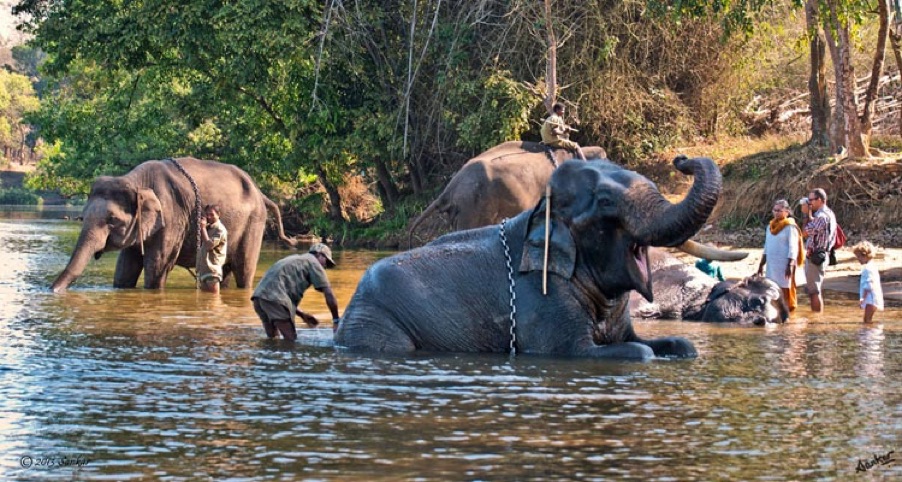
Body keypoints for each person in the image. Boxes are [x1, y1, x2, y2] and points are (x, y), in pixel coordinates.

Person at [251, 243, 341, 341]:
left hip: (258, 298)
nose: (324, 266)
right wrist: (336, 321)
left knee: (272, 340)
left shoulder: (293, 259)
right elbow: (329, 293)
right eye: (326, 262)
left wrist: (302, 315)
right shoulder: (314, 263)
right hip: (274, 299)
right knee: (291, 342)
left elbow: (281, 291)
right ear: (319, 254)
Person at [757, 199, 804, 311]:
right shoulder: (770, 227)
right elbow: (767, 246)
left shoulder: (790, 227)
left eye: (779, 210)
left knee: (785, 289)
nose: (777, 212)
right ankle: (777, 313)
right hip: (772, 264)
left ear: (787, 212)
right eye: (775, 210)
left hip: (784, 264)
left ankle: (788, 314)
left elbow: (793, 247)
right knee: (772, 288)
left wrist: (790, 265)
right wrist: (761, 264)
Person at [801, 188, 837, 313]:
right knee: (815, 290)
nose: (809, 203)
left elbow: (804, 233)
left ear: (820, 200)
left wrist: (806, 214)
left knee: (814, 291)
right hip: (822, 254)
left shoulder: (821, 216)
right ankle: (816, 320)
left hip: (816, 256)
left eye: (811, 200)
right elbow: (816, 228)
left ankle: (816, 321)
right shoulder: (828, 213)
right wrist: (810, 214)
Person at [198, 204, 227, 294]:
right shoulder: (209, 228)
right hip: (205, 269)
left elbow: (209, 245)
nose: (209, 217)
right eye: (207, 214)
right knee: (205, 300)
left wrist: (202, 228)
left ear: (218, 215)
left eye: (211, 214)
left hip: (212, 270)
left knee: (214, 300)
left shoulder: (220, 230)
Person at [852, 241, 884, 323]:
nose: (858, 259)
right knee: (867, 320)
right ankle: (871, 333)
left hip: (871, 299)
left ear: (865, 255)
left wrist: (863, 298)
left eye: (859, 256)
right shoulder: (871, 266)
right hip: (873, 298)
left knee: (867, 320)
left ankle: (869, 335)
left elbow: (869, 285)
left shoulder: (868, 269)